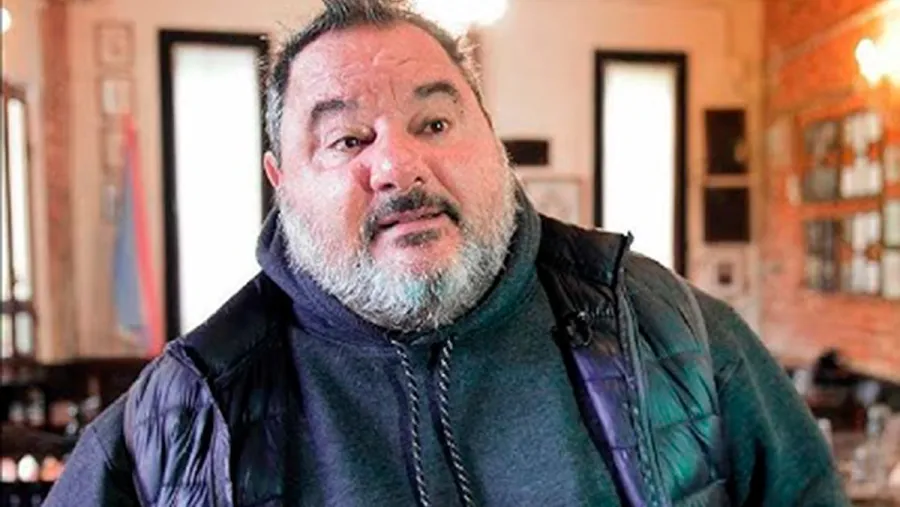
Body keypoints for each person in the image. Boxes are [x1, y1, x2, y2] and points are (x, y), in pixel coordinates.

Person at [45, 0, 850, 505]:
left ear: (492, 142)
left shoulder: (668, 332)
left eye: (434, 123)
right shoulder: (189, 410)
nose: (399, 165)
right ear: (282, 182)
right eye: (347, 138)